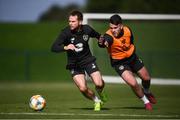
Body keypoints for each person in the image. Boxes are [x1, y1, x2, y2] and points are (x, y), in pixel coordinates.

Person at [51, 10, 107, 111]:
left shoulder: (87, 29)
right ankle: (96, 101)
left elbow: (99, 36)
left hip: (88, 60)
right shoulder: (65, 32)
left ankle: (100, 92)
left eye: (73, 21)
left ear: (80, 22)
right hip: (74, 65)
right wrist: (66, 47)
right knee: (83, 88)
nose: (70, 23)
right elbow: (54, 47)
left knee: (99, 84)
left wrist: (102, 41)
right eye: (69, 21)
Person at [98, 14, 156, 111]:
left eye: (115, 28)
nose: (113, 30)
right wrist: (102, 43)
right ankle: (146, 102)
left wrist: (131, 53)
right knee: (133, 83)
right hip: (119, 63)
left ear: (121, 26)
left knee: (146, 78)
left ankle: (146, 91)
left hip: (132, 58)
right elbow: (105, 42)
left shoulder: (128, 30)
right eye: (111, 27)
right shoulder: (109, 36)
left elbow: (131, 42)